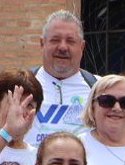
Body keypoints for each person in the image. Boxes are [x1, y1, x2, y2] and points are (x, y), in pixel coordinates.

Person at [29, 10, 94, 143]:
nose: (63, 47)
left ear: (82, 46)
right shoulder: (17, 86)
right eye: (55, 40)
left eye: (70, 41)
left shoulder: (99, 89)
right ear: (42, 43)